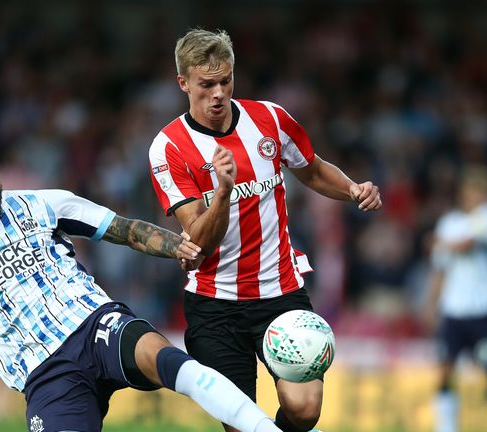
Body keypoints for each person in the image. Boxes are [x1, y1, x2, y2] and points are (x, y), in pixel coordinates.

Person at [0, 111, 287, 432]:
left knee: (171, 363)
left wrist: (177, 246)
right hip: (46, 374)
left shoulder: (45, 205)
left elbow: (122, 229)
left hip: (96, 324)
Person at [148, 29, 382, 432]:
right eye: (206, 85)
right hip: (215, 304)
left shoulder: (270, 119)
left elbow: (311, 168)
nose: (218, 93)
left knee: (305, 410)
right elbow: (199, 241)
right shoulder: (169, 147)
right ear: (183, 83)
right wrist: (223, 191)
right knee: (241, 423)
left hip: (281, 292)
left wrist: (352, 189)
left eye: (225, 80)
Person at [424, 166, 487, 432]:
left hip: (485, 309)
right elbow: (441, 269)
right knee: (444, 370)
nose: (472, 196)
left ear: (486, 194)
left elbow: (465, 244)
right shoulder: (449, 222)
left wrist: (436, 242)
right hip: (454, 310)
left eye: (478, 191)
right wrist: (431, 304)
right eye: (469, 191)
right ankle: (446, 428)